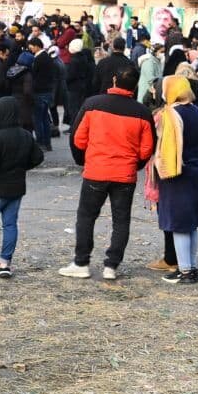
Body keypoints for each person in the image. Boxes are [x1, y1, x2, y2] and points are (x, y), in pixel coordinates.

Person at [60, 66, 155, 280]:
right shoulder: (142, 112)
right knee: (121, 220)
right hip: (125, 174)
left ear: (113, 81)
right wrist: (134, 164)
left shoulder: (93, 105)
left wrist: (85, 159)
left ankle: (81, 262)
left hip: (96, 170)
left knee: (86, 216)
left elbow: (78, 139)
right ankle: (112, 265)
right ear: (136, 84)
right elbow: (147, 149)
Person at [0, 97, 43, 278]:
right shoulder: (25, 134)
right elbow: (38, 157)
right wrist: (22, 167)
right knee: (10, 224)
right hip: (16, 187)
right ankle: (5, 263)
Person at [149, 76, 198, 285]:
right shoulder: (197, 111)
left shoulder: (170, 114)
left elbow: (165, 148)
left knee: (179, 223)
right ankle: (190, 265)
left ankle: (185, 271)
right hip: (196, 169)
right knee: (190, 223)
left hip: (177, 173)